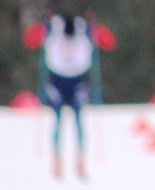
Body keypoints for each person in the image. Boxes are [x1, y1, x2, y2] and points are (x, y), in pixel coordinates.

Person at [23, 11, 116, 180]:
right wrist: (42, 26)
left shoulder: (84, 28)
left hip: (78, 82)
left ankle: (80, 160)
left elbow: (109, 42)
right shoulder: (53, 28)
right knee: (57, 120)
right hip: (57, 81)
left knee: (79, 121)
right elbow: (30, 41)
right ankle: (57, 160)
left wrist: (96, 27)